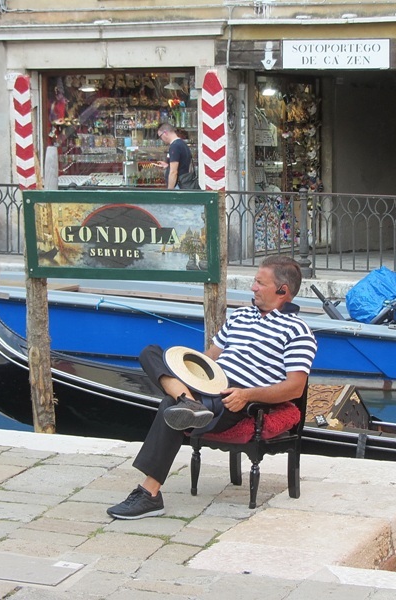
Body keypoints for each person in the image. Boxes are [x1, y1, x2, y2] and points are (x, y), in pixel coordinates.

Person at [107, 255, 318, 520]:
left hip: (237, 397)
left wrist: (246, 395)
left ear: (282, 291)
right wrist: (184, 368)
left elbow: (295, 388)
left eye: (259, 283)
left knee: (170, 407)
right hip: (208, 384)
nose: (253, 287)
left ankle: (150, 493)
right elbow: (209, 358)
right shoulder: (240, 316)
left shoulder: (297, 331)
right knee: (151, 352)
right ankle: (188, 400)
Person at [156, 122, 192, 189]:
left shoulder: (174, 146)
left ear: (165, 133)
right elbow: (181, 165)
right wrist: (167, 166)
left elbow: (173, 172)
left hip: (178, 185)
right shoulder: (182, 143)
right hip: (183, 183)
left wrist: (170, 191)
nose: (161, 139)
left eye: (160, 136)